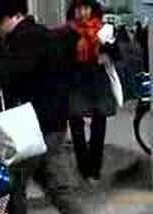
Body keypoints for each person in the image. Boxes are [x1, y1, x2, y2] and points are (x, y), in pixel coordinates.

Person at [0, 0, 108, 214]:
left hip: (33, 128)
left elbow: (12, 74)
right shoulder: (47, 35)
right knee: (58, 189)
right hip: (53, 124)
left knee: (13, 185)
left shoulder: (26, 38)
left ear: (12, 17)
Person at [66, 0, 117, 182]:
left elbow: (117, 55)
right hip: (76, 82)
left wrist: (107, 50)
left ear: (93, 10)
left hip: (97, 81)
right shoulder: (68, 32)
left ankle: (94, 168)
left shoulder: (103, 30)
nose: (83, 12)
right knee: (76, 124)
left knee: (99, 123)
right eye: (79, 8)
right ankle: (83, 167)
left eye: (86, 8)